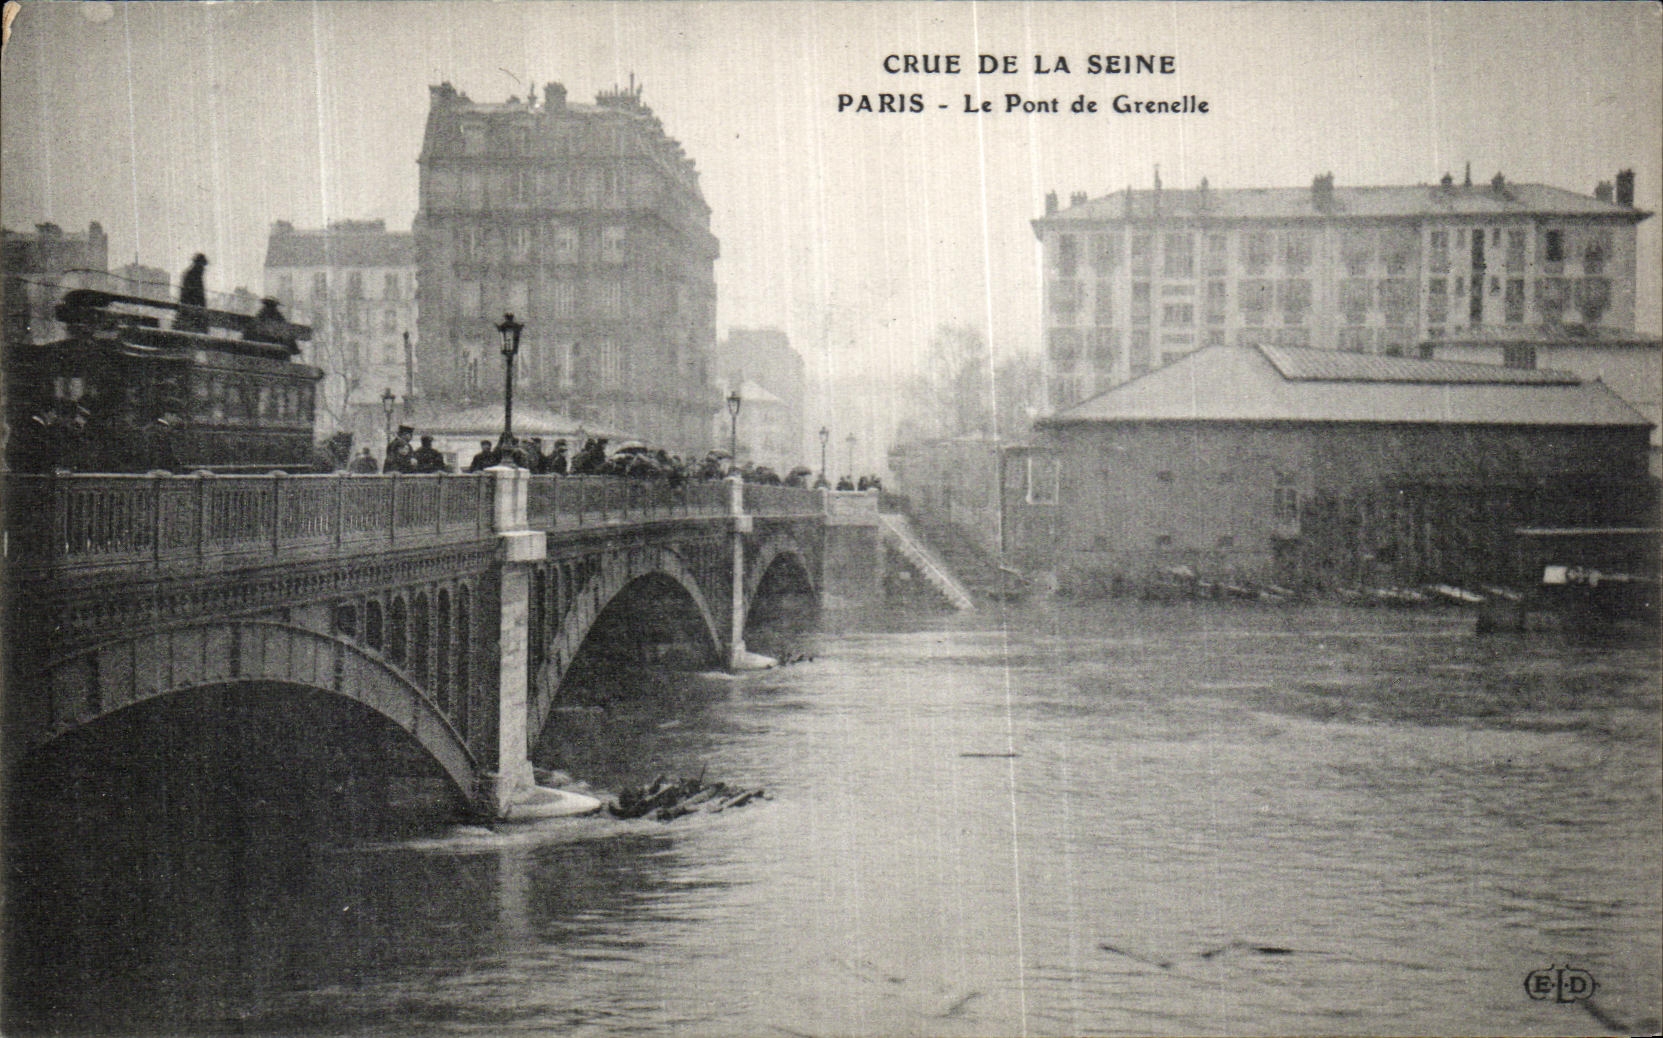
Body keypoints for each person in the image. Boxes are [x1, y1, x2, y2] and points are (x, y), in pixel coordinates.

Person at [175, 253, 209, 332]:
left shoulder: (194, 275)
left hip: (191, 312)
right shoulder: (193, 275)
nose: (203, 268)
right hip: (191, 313)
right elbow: (192, 296)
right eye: (202, 265)